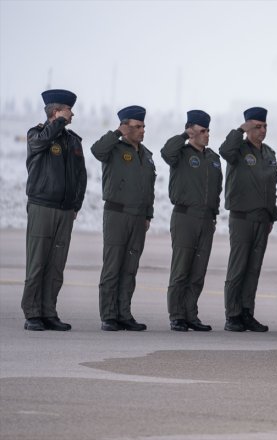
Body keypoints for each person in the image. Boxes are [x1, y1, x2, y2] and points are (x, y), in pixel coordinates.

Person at [22, 89, 87, 331]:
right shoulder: (36, 134)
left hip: (65, 210)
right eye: (69, 110)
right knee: (37, 263)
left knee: (56, 265)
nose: (73, 114)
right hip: (42, 206)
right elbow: (41, 142)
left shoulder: (73, 141)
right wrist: (57, 123)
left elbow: (81, 176)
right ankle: (32, 313)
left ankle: (49, 311)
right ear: (57, 111)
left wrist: (76, 205)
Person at [91, 105, 156, 331]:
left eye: (143, 126)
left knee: (130, 268)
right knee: (113, 266)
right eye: (137, 126)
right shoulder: (114, 149)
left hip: (138, 217)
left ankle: (124, 313)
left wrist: (148, 214)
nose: (142, 130)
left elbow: (149, 188)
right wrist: (117, 132)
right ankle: (108, 315)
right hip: (117, 214)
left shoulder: (146, 155)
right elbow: (96, 150)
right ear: (125, 126)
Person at [161, 110, 222, 332]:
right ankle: (176, 315)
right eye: (202, 130)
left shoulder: (213, 158)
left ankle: (190, 314)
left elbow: (217, 189)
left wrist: (213, 215)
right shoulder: (180, 153)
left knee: (198, 271)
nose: (207, 135)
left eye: (208, 131)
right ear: (192, 130)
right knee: (181, 269)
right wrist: (184, 135)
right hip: (185, 217)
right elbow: (166, 152)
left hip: (206, 220)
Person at [219, 107, 277, 332]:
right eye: (257, 127)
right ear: (247, 127)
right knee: (238, 267)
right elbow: (224, 150)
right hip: (242, 218)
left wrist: (271, 214)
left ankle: (246, 312)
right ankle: (232, 315)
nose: (262, 131)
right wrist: (239, 131)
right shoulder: (238, 150)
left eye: (264, 127)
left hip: (262, 219)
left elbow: (271, 187)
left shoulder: (269, 153)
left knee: (253, 269)